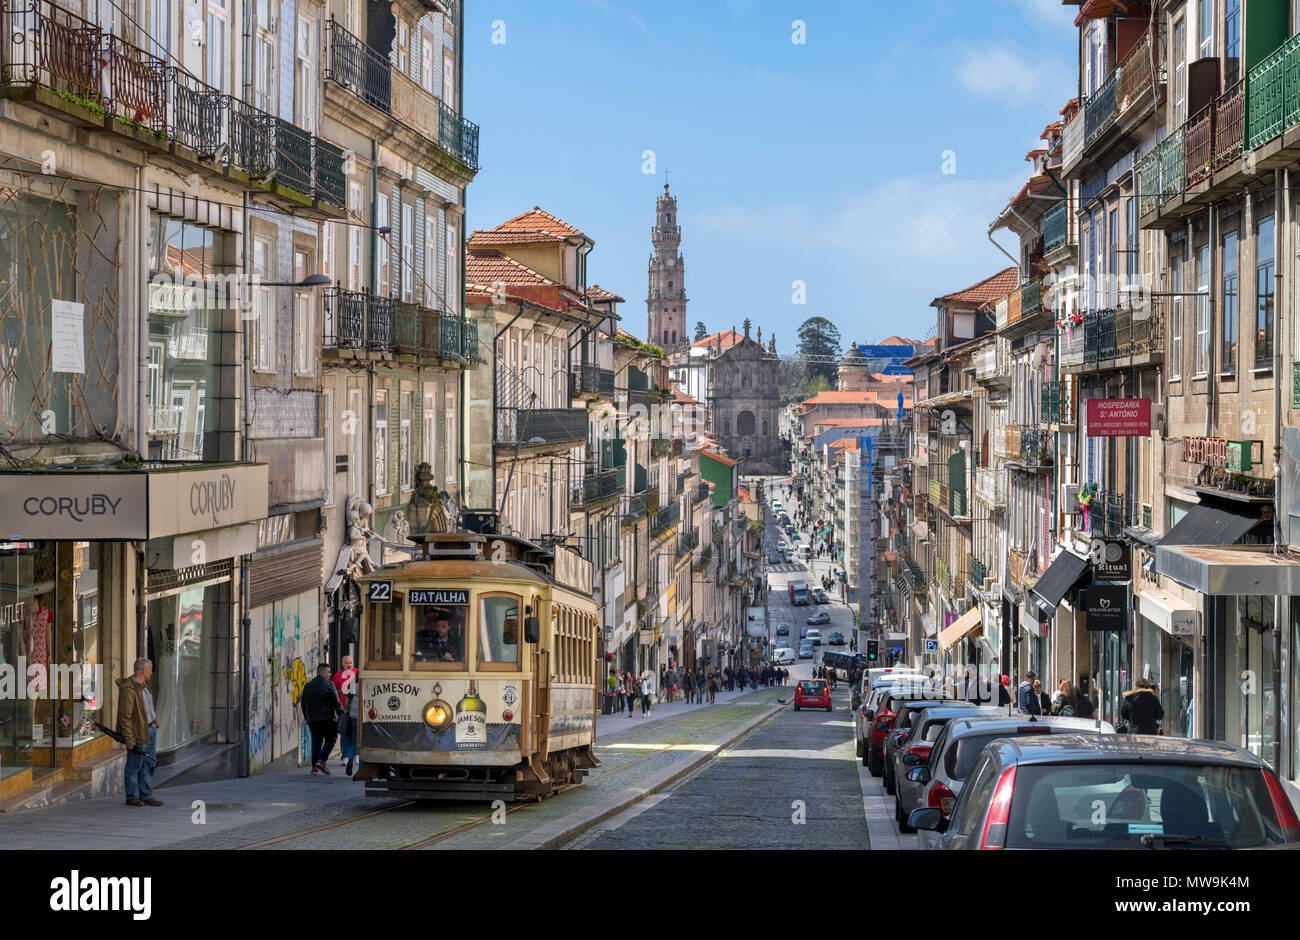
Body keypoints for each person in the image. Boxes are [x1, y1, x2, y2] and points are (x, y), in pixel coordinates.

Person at [116, 657, 163, 806]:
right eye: (149, 670)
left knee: (148, 763)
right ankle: (131, 796)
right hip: (138, 732)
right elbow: (125, 716)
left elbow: (148, 708)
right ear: (142, 671)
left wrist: (154, 724)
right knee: (134, 764)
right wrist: (129, 739)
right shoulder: (129, 689)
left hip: (150, 729)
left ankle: (146, 794)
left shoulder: (145, 686)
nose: (151, 672)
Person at [301, 663, 342, 775]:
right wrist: (341, 714)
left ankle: (315, 767)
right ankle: (321, 761)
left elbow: (303, 704)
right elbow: (336, 702)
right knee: (331, 739)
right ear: (323, 673)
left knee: (316, 741)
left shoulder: (308, 685)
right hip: (327, 719)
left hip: (312, 720)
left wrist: (307, 717)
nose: (330, 674)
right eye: (329, 672)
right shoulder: (329, 685)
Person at [333, 655, 359, 775]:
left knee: (348, 735)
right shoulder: (338, 676)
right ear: (343, 664)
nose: (349, 664)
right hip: (349, 712)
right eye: (346, 663)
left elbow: (348, 696)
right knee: (348, 735)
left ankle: (349, 757)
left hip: (349, 711)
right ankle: (349, 756)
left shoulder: (356, 675)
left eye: (350, 662)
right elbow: (335, 691)